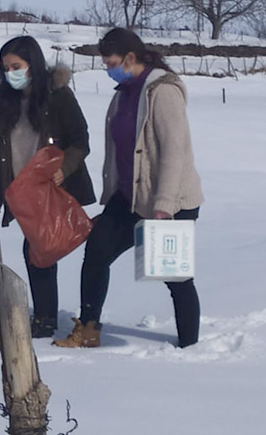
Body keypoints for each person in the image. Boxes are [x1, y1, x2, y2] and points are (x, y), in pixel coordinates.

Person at [54, 28, 205, 349]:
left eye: (111, 63)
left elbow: (174, 151)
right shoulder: (123, 93)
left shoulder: (162, 91)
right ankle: (88, 330)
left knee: (174, 277)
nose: (108, 69)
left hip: (171, 200)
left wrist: (164, 204)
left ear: (130, 58)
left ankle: (190, 346)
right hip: (129, 197)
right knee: (97, 253)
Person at [0, 36, 96, 338]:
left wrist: (63, 168)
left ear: (33, 64)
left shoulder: (58, 97)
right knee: (38, 251)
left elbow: (81, 141)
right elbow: (3, 158)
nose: (10, 73)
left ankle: (46, 321)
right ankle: (46, 317)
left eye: (16, 66)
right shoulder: (4, 103)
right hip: (23, 193)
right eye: (5, 68)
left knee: (37, 250)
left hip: (53, 189)